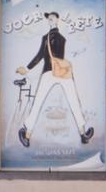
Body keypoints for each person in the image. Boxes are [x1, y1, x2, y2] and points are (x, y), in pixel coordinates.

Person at [16, 12, 94, 148]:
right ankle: (83, 134)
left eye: (52, 18)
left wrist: (27, 69)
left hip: (49, 72)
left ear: (58, 20)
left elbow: (40, 55)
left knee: (39, 102)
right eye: (49, 18)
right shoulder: (61, 38)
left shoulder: (47, 38)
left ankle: (27, 135)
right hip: (62, 72)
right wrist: (28, 69)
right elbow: (55, 56)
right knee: (73, 100)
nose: (50, 20)